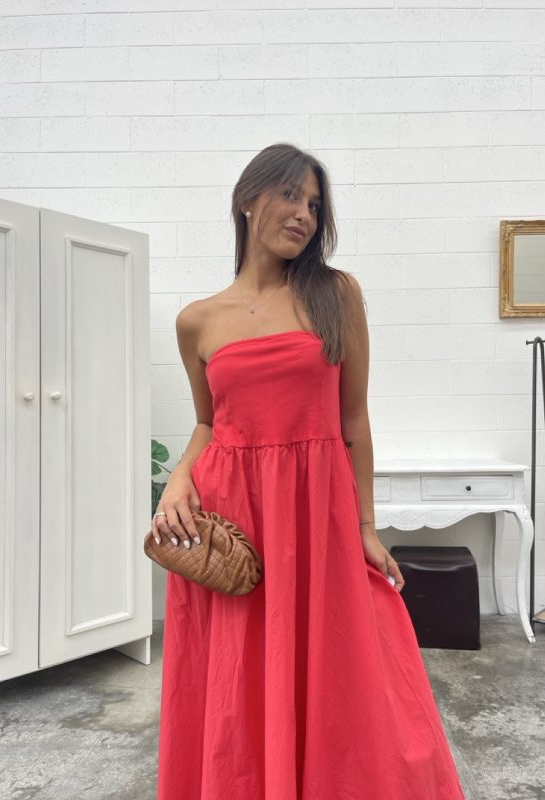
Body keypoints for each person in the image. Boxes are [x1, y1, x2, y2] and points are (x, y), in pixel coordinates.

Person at [152, 143, 465, 799]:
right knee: (240, 671)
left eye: (315, 205)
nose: (304, 214)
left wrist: (366, 527)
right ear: (248, 199)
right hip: (234, 516)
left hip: (313, 507)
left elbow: (354, 420)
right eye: (291, 195)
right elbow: (209, 422)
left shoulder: (334, 294)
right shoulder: (196, 321)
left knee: (346, 661)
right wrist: (179, 479)